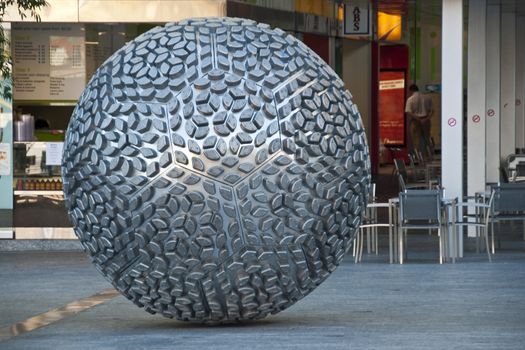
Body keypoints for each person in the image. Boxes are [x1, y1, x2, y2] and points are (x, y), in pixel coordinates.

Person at [405, 84, 433, 158]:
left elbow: (408, 112)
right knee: (427, 138)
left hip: (415, 121)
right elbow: (432, 111)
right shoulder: (427, 97)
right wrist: (425, 119)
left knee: (416, 141)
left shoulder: (410, 99)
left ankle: (418, 158)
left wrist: (418, 119)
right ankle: (428, 156)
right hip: (426, 120)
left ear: (411, 90)